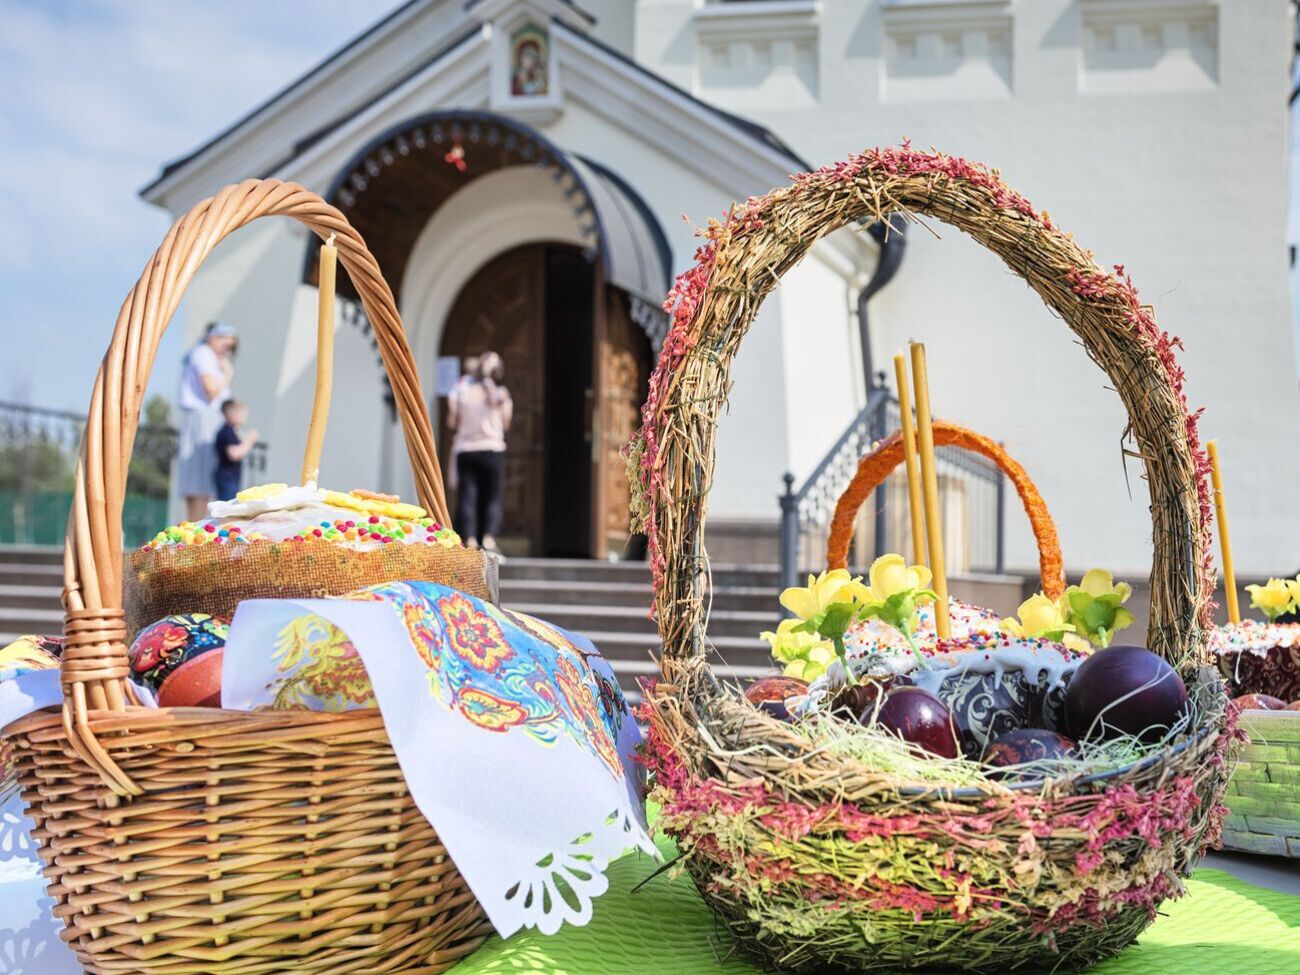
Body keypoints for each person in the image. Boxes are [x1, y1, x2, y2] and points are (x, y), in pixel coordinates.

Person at [448, 351, 512, 553]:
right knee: (492, 496)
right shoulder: (501, 395)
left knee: (468, 496)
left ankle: (470, 539)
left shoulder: (462, 392)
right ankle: (489, 539)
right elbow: (506, 423)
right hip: (492, 449)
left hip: (467, 450)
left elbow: (452, 421)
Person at [177, 322, 237, 521]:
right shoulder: (203, 354)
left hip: (207, 419)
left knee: (201, 480)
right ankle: (195, 530)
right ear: (212, 337)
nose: (226, 349)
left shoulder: (206, 355)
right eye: (224, 342)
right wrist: (228, 375)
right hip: (203, 419)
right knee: (199, 479)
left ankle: (196, 527)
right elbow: (211, 391)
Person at [213, 399, 259, 502]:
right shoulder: (228, 432)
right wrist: (249, 441)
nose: (245, 418)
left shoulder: (228, 431)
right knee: (229, 508)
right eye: (242, 415)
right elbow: (233, 453)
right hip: (228, 478)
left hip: (229, 478)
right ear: (233, 415)